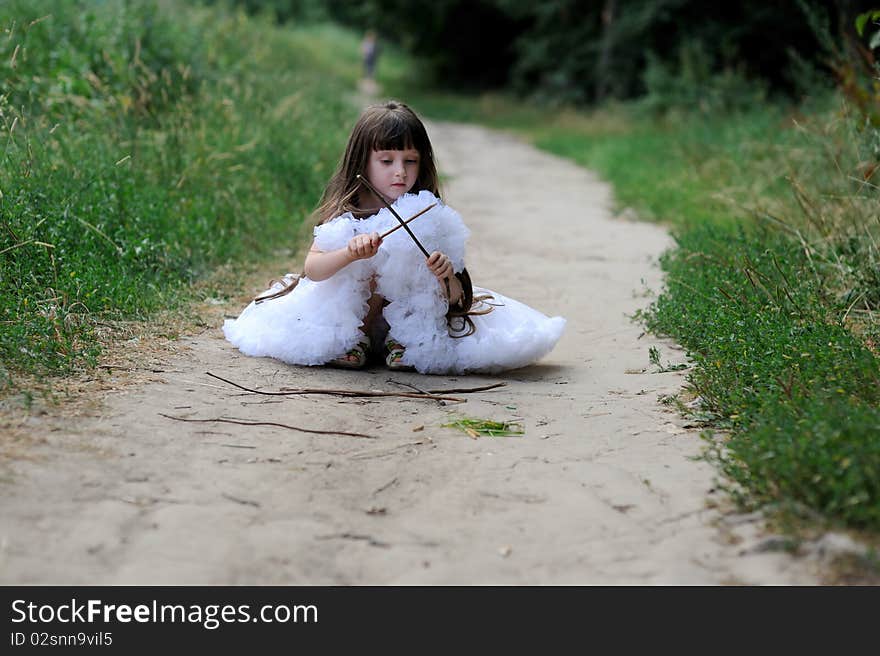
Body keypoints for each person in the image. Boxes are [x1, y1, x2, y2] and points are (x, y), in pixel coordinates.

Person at [223, 101, 566, 374]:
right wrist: (349, 254)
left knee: (412, 267)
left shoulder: (428, 216)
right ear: (363, 161)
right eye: (386, 160)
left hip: (406, 326)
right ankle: (353, 343)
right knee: (369, 267)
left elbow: (456, 298)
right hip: (349, 321)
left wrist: (445, 275)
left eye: (410, 160)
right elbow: (313, 270)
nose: (400, 171)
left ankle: (400, 345)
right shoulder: (347, 215)